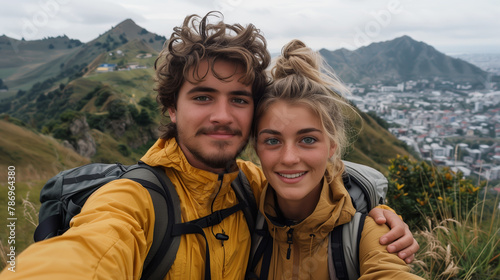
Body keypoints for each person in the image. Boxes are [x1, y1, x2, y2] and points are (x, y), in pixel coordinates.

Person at [0, 12, 417, 280]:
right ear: (171, 109)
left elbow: (319, 181)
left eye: (238, 99)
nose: (222, 115)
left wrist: (377, 212)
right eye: (202, 97)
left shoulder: (254, 183)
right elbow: (85, 257)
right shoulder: (134, 201)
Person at [249, 39, 424, 279]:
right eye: (272, 141)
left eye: (308, 140)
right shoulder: (241, 212)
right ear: (256, 147)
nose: (289, 158)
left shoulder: (369, 232)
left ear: (332, 146)